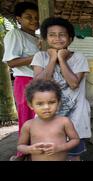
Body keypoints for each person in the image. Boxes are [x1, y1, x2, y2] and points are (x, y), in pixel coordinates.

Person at [32, 17, 90, 161]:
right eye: (52, 35)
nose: (57, 38)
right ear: (45, 38)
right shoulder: (40, 57)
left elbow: (74, 83)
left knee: (73, 157)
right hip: (46, 119)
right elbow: (38, 85)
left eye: (62, 34)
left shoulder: (79, 57)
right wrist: (52, 60)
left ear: (70, 39)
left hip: (75, 118)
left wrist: (62, 59)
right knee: (49, 156)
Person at [2, 2, 39, 159]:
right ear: (18, 19)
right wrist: (38, 57)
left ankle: (37, 151)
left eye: (36, 17)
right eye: (28, 17)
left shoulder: (37, 38)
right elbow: (11, 62)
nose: (33, 20)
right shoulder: (15, 34)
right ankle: (22, 154)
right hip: (25, 81)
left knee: (41, 119)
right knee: (26, 119)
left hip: (40, 81)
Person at [17, 79, 80, 161]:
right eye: (40, 104)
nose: (46, 107)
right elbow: (20, 146)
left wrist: (60, 148)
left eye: (51, 102)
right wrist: (30, 149)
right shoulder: (28, 125)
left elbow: (75, 140)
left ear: (58, 103)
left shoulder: (64, 122)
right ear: (31, 105)